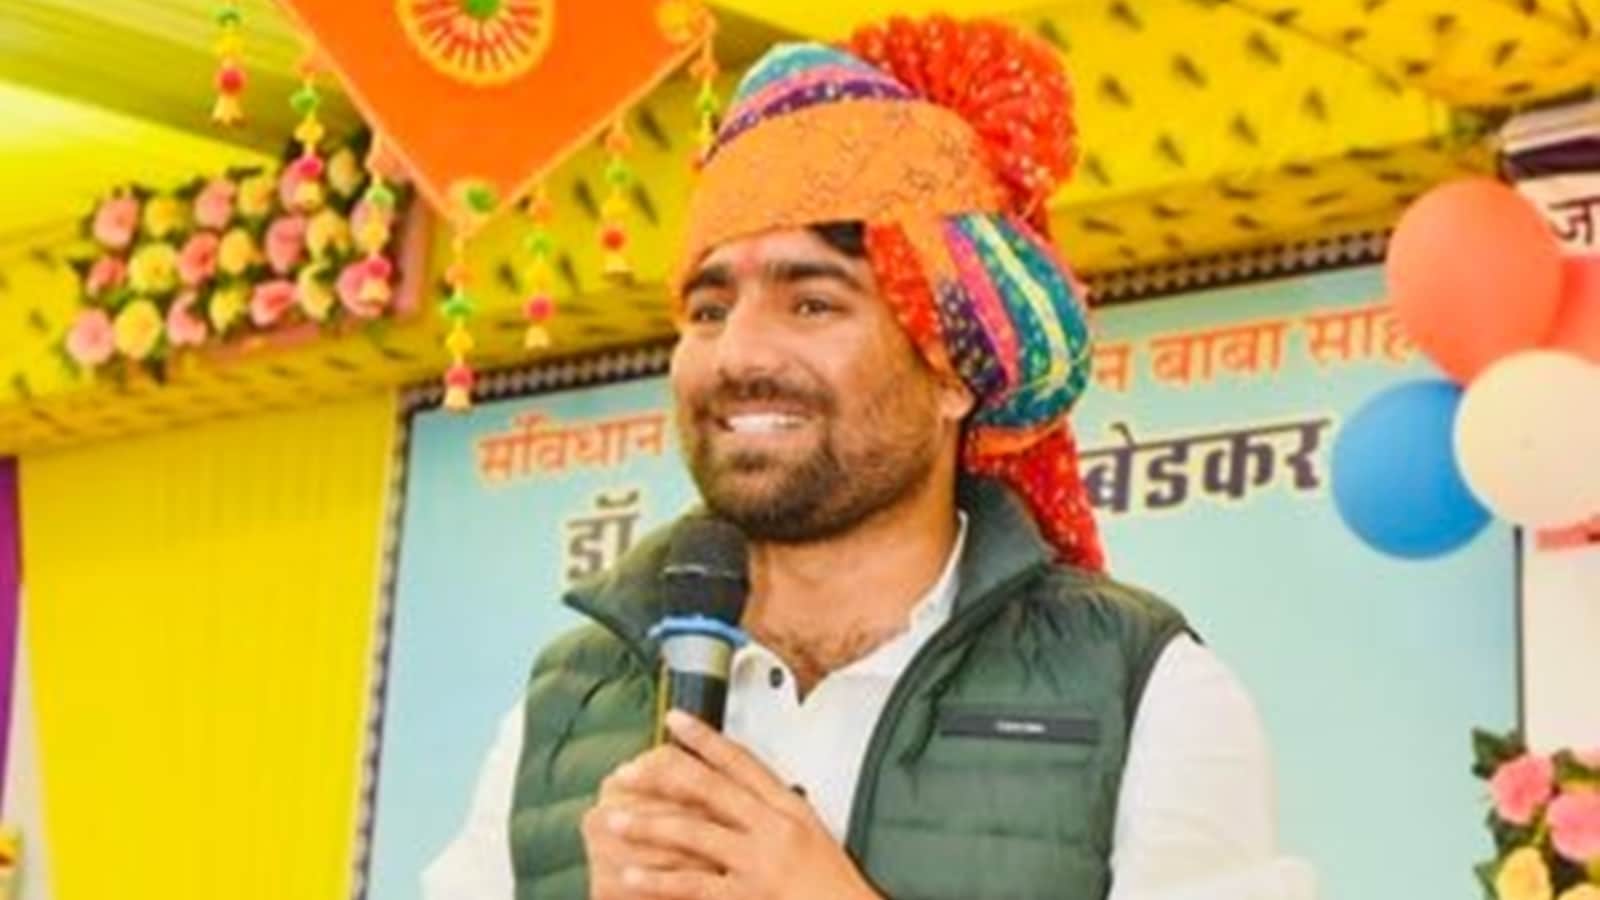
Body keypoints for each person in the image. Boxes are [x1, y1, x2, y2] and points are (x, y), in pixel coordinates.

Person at [426, 15, 1315, 900]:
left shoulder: (1140, 686)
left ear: (952, 371)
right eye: (708, 311)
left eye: (812, 304)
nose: (738, 353)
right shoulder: (568, 702)